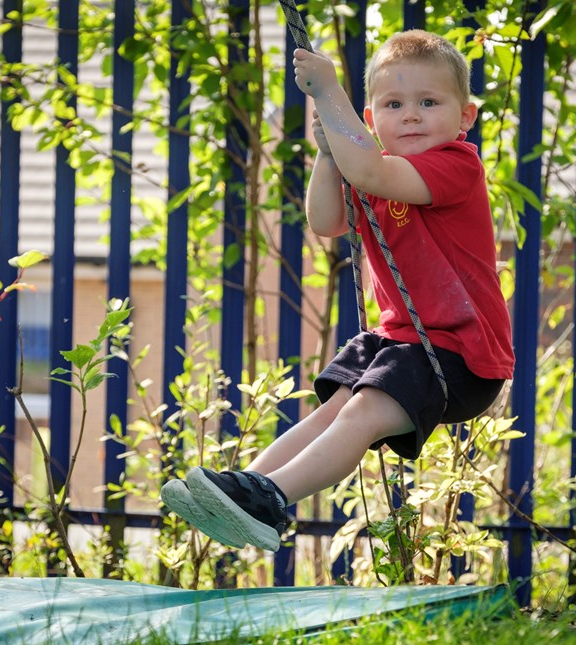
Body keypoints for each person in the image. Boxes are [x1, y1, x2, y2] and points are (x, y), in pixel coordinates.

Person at [160, 29, 514, 552]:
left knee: (362, 411)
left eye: (428, 102)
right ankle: (244, 493)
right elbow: (325, 221)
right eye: (393, 104)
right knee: (335, 407)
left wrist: (329, 91)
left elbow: (370, 169)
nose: (411, 115)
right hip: (403, 344)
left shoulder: (457, 166)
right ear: (372, 122)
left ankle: (271, 495)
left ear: (465, 117)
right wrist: (330, 155)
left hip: (460, 358)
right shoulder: (370, 167)